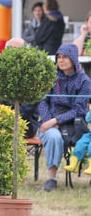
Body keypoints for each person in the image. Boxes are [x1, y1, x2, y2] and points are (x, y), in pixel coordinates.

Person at [36, 43, 91, 191]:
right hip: (50, 122)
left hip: (75, 124)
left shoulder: (84, 81)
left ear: (73, 59)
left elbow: (79, 110)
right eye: (59, 57)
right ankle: (51, 179)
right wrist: (49, 121)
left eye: (65, 57)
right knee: (54, 137)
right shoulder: (52, 77)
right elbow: (42, 101)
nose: (61, 60)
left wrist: (57, 120)